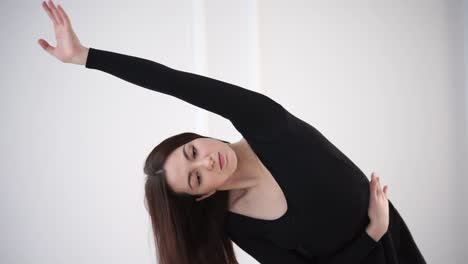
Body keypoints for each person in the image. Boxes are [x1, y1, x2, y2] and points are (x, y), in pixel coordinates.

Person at [38, 1, 427, 263]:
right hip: (374, 241)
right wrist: (373, 233)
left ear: (195, 138)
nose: (206, 161)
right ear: (203, 193)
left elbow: (173, 81)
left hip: (398, 246)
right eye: (196, 178)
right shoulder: (235, 222)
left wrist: (86, 57)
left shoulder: (264, 123)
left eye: (192, 152)